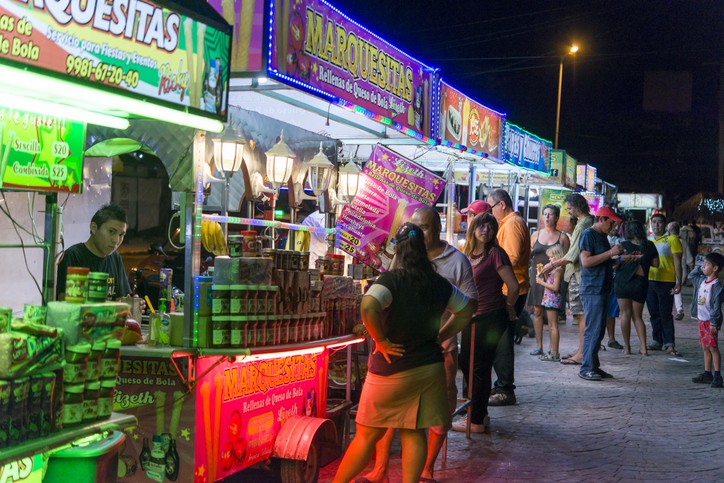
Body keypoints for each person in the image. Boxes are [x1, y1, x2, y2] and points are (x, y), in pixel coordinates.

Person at [332, 223, 475, 483]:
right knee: (414, 432)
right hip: (428, 370)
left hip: (390, 370)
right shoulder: (439, 284)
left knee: (366, 435)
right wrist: (441, 335)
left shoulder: (391, 281)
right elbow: (466, 309)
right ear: (424, 251)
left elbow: (368, 306)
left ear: (396, 250)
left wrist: (382, 340)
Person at [453, 212, 519, 432]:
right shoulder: (467, 253)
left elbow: (514, 287)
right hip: (470, 317)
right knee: (468, 365)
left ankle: (476, 421)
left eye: (490, 227)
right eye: (482, 226)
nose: (486, 230)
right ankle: (479, 413)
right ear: (473, 228)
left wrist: (509, 308)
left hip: (490, 316)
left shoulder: (495, 254)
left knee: (479, 368)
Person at [485, 189, 529, 407]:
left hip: (511, 290)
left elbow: (510, 257)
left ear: (501, 205)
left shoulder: (512, 224)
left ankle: (505, 389)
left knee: (502, 342)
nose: (490, 213)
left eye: (491, 207)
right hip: (508, 289)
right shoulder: (510, 223)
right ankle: (502, 384)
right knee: (500, 340)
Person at [541, 193, 594, 366]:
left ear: (577, 206)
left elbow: (572, 255)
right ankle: (580, 350)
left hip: (578, 274)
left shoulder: (583, 224)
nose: (569, 212)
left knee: (581, 315)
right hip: (576, 273)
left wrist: (552, 265)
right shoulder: (583, 223)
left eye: (570, 208)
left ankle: (581, 353)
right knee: (580, 314)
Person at [578, 206, 623, 381]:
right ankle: (586, 367)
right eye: (611, 222)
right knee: (593, 329)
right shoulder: (589, 235)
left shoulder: (602, 236)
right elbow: (586, 261)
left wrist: (616, 259)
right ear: (602, 219)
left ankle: (593, 365)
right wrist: (610, 253)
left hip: (602, 287)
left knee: (599, 330)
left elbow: (601, 260)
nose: (613, 226)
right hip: (592, 288)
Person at [56, 203, 131, 300]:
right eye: (111, 232)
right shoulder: (73, 256)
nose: (116, 240)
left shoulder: (115, 258)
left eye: (121, 235)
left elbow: (120, 298)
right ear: (94, 228)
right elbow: (63, 301)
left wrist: (130, 305)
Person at [529, 204, 570, 356]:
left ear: (557, 217)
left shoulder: (563, 237)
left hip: (554, 279)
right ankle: (539, 346)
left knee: (552, 314)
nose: (546, 217)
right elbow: (529, 256)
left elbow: (567, 259)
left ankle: (553, 350)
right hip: (537, 277)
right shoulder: (535, 235)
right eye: (544, 214)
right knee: (537, 310)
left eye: (550, 214)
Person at [615, 220, 660, 355]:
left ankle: (627, 347)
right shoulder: (649, 245)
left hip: (622, 282)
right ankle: (643, 348)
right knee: (638, 317)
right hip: (640, 283)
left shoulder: (622, 246)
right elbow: (656, 264)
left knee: (625, 315)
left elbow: (614, 265)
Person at [646, 213, 683, 355]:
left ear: (665, 224)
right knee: (653, 313)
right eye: (654, 222)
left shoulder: (672, 239)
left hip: (666, 282)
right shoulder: (649, 241)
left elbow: (677, 262)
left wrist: (678, 282)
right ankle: (657, 341)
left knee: (665, 313)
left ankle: (669, 343)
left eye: (659, 222)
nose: (656, 225)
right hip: (650, 281)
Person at [688, 252, 724, 388]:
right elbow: (691, 276)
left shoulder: (717, 286)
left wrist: (714, 322)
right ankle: (707, 373)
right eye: (703, 264)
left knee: (713, 347)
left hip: (710, 321)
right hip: (701, 320)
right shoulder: (701, 280)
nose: (703, 267)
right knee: (705, 347)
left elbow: (716, 306)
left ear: (715, 268)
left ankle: (717, 375)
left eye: (706, 264)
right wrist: (700, 268)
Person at [535, 244, 565, 361]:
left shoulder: (558, 270)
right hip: (550, 299)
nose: (550, 259)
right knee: (551, 326)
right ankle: (552, 350)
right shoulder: (555, 270)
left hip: (552, 299)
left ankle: (554, 353)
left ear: (557, 256)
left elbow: (555, 287)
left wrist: (542, 282)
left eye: (551, 257)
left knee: (553, 326)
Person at [667, 221, 694, 320]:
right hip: (682, 271)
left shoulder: (668, 241)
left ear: (669, 230)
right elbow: (690, 260)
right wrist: (691, 271)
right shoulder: (683, 242)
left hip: (671, 270)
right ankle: (679, 310)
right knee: (676, 290)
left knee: (673, 290)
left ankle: (676, 310)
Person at [605, 220, 624, 350]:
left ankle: (611, 338)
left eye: (618, 226)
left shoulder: (620, 242)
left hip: (614, 280)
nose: (616, 228)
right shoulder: (600, 238)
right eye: (613, 225)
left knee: (611, 310)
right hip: (601, 280)